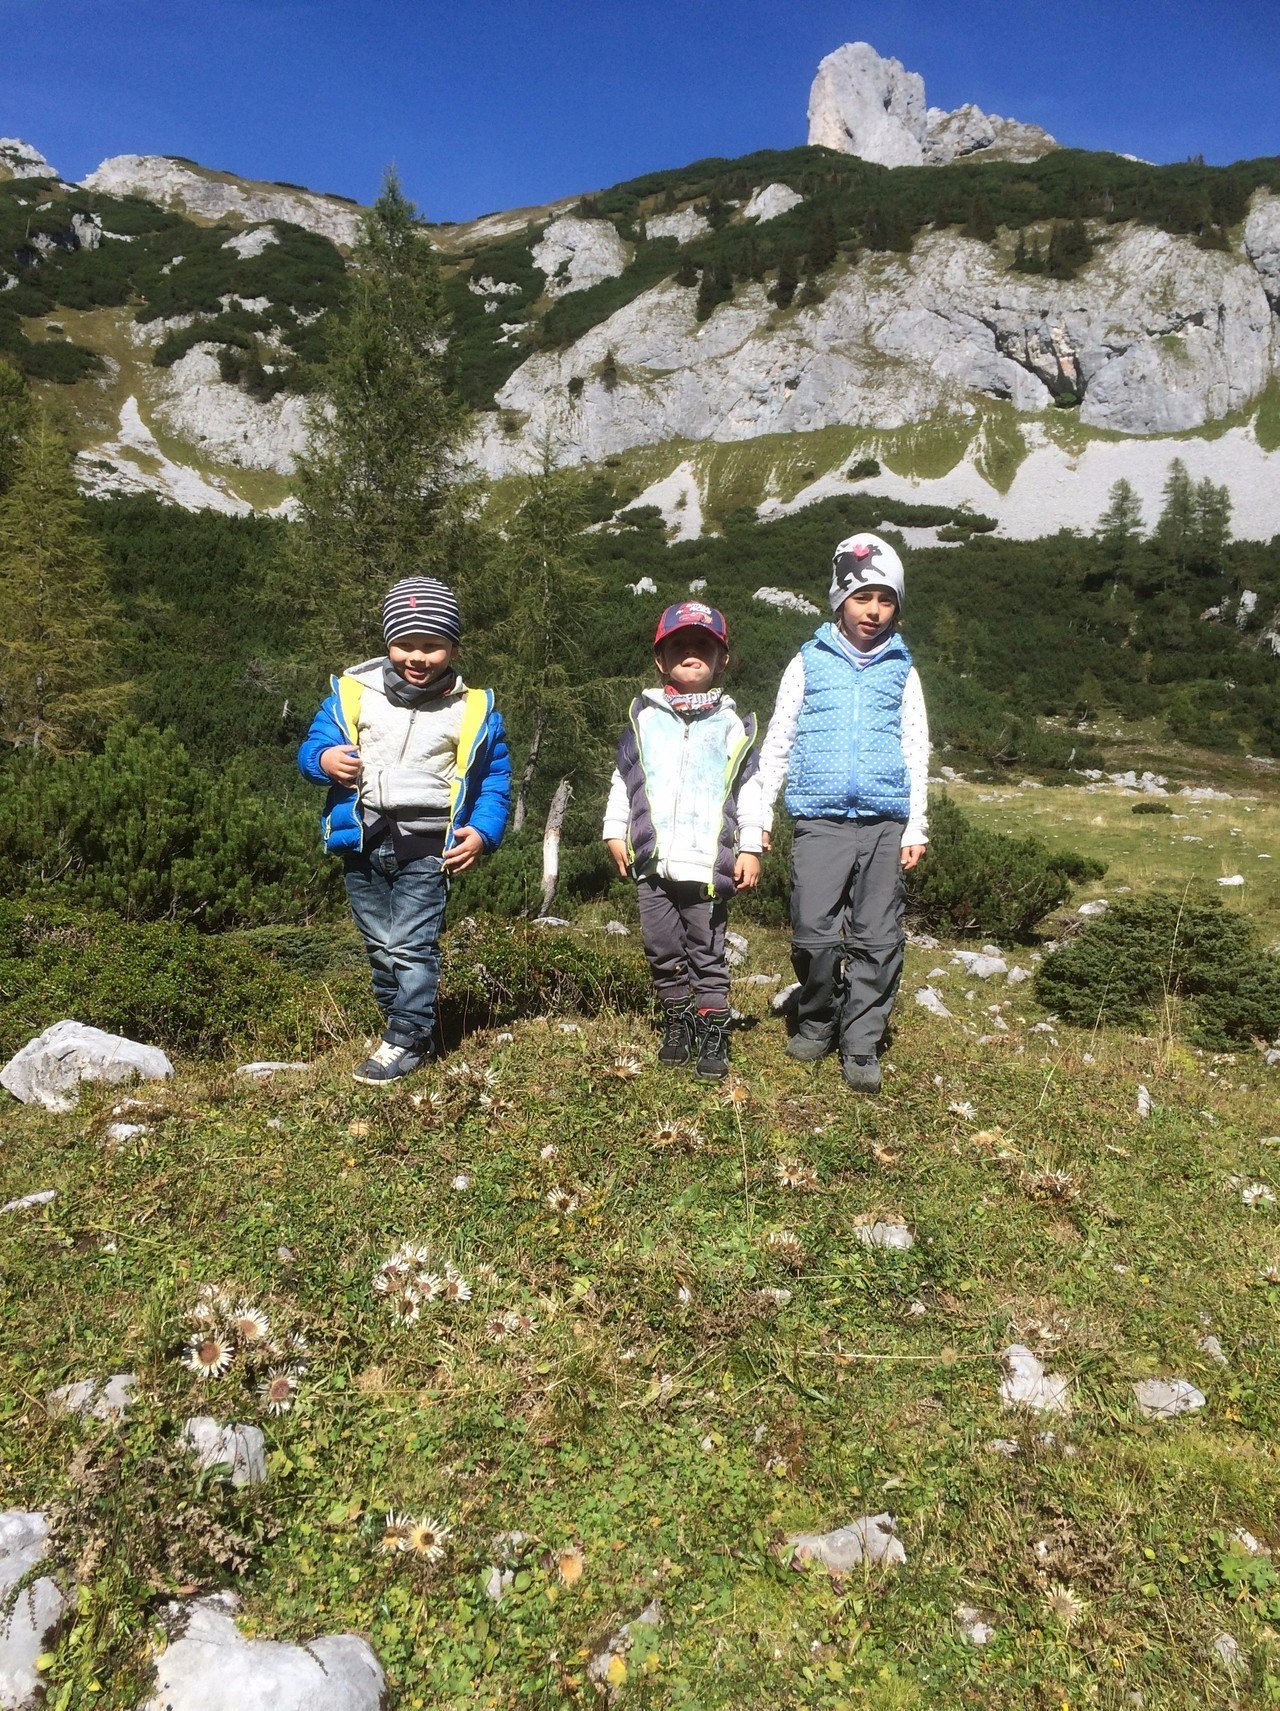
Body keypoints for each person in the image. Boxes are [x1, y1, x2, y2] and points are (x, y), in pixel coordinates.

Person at [298, 576, 510, 1084]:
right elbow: (311, 747)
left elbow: (495, 780)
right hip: (364, 837)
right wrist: (323, 761)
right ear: (388, 642)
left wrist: (482, 833)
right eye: (405, 643)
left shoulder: (473, 709)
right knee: (379, 945)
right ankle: (405, 1026)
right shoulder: (353, 695)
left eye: (432, 645)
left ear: (453, 648)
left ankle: (407, 1037)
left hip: (429, 843)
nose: (418, 656)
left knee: (411, 945)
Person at [755, 533, 929, 1094]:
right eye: (862, 598)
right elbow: (779, 740)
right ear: (839, 600)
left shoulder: (902, 667)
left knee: (878, 938)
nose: (873, 611)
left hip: (884, 822)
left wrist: (916, 823)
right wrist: (759, 817)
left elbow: (915, 747)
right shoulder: (807, 662)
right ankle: (817, 1018)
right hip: (819, 820)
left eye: (885, 600)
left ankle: (861, 1041)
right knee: (813, 932)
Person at [603, 601, 764, 1081]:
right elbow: (625, 779)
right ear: (660, 659)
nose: (691, 652)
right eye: (679, 645)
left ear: (722, 660)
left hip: (707, 864)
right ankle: (677, 1021)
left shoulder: (733, 724)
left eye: (703, 645)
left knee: (706, 950)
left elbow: (749, 788)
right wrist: (614, 830)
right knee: (661, 948)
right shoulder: (644, 718)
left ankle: (713, 1029)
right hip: (653, 861)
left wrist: (750, 845)